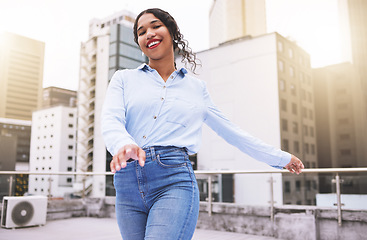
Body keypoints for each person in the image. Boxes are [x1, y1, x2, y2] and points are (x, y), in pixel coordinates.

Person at [101, 8, 304, 240]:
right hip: (126, 184)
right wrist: (124, 143)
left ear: (172, 31)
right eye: (141, 31)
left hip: (172, 180)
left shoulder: (196, 89)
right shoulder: (124, 79)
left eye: (155, 26)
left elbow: (232, 133)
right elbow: (111, 119)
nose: (148, 34)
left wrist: (279, 158)